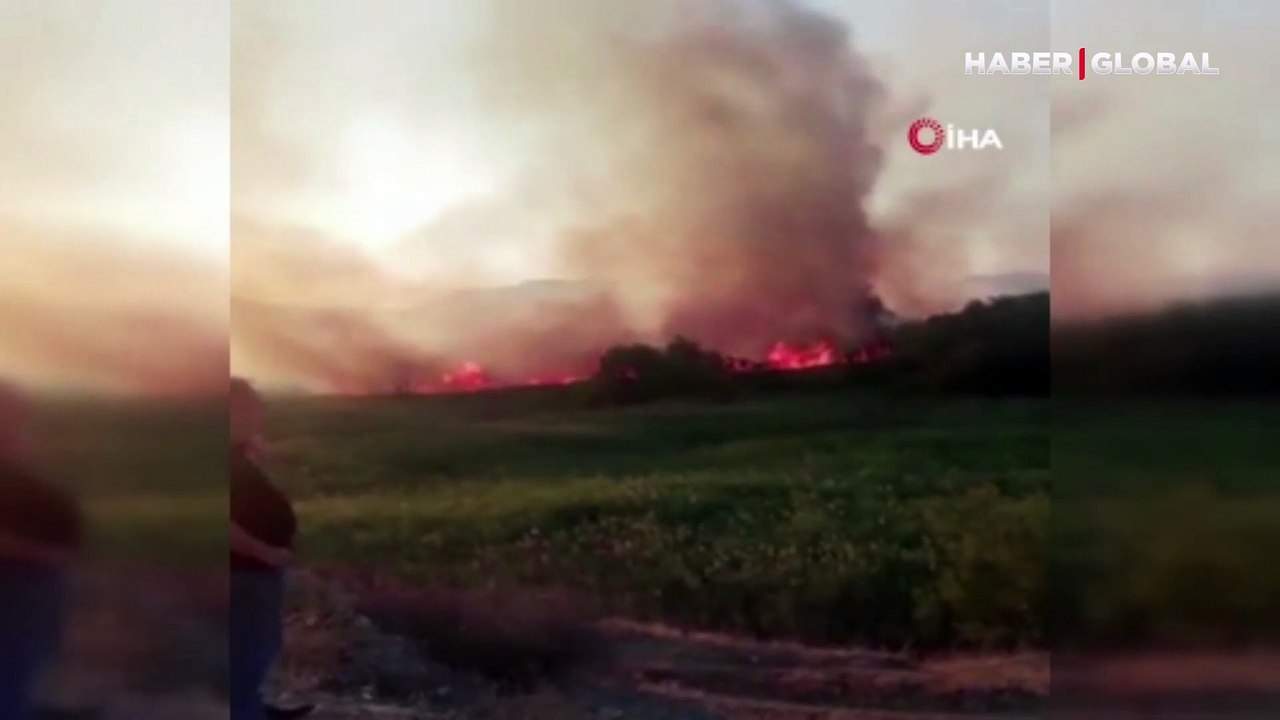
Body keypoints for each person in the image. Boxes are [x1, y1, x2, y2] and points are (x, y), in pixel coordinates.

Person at [229, 378, 311, 720]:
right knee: (249, 653)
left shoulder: (233, 454)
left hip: (251, 572)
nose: (259, 416)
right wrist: (266, 552)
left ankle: (253, 708)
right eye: (251, 409)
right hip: (244, 572)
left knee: (253, 650)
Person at [0, 382, 83, 720]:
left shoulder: (19, 451)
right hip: (20, 582)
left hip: (37, 581)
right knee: (12, 674)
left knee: (20, 670)